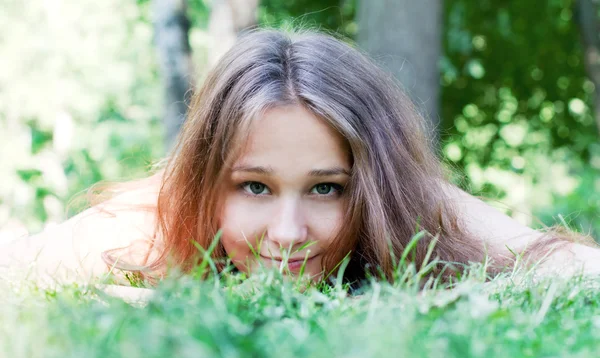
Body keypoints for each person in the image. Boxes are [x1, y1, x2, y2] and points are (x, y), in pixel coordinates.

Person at [1, 28, 599, 288]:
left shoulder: (414, 209)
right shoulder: (157, 220)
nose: (287, 235)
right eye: (255, 187)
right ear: (207, 181)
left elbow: (568, 267)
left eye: (326, 189)